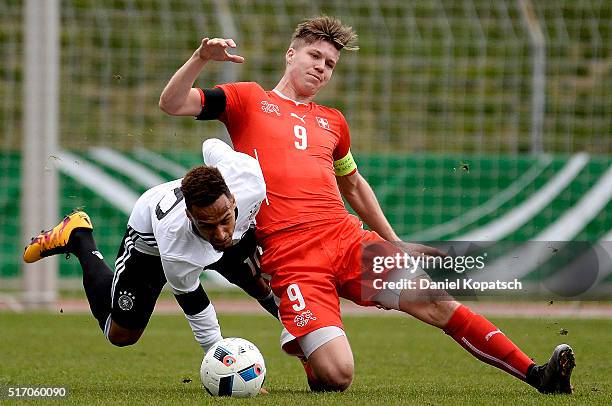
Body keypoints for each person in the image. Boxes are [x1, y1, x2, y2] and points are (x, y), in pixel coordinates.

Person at [158, 16, 575, 394]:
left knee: (437, 301)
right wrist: (200, 58)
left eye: (330, 64)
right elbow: (173, 103)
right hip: (291, 257)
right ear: (291, 54)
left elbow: (353, 184)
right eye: (315, 56)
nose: (322, 67)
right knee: (338, 375)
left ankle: (539, 376)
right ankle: (311, 354)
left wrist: (395, 241)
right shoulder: (247, 99)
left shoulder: (333, 122)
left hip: (346, 239)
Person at [23, 139, 278, 352]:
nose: (221, 234)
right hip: (151, 244)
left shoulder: (249, 178)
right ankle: (79, 237)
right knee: (121, 335)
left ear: (233, 200)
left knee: (262, 285)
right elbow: (198, 310)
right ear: (190, 216)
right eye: (208, 225)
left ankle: (308, 347)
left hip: (223, 232)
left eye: (225, 220)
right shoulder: (177, 249)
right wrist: (224, 361)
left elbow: (210, 143)